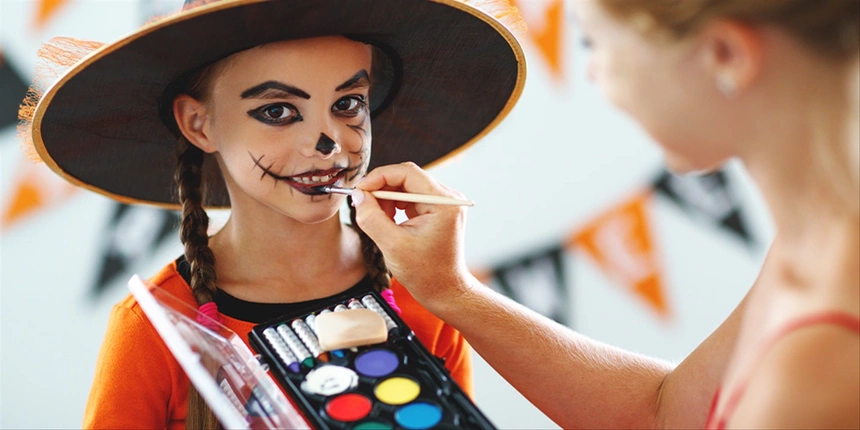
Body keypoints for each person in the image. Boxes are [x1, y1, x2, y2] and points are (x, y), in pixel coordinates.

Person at [353, 0, 860, 428]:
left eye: (594, 44)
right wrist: (451, 290)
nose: (594, 73)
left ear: (725, 54)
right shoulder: (815, 242)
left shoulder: (822, 364)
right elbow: (666, 414)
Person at [19, 0, 526, 427]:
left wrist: (451, 291)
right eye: (278, 111)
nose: (327, 143)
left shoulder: (427, 297)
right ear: (199, 124)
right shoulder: (156, 329)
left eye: (349, 103)